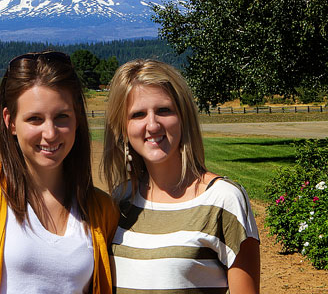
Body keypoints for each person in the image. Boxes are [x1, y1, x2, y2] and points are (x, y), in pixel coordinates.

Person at [0, 50, 119, 293]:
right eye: (35, 119)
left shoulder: (102, 209)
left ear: (77, 119)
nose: (50, 133)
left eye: (62, 117)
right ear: (11, 121)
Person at [102, 59, 260, 294]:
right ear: (122, 129)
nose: (152, 125)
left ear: (183, 117)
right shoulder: (120, 201)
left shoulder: (223, 200)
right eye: (138, 114)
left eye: (164, 111)